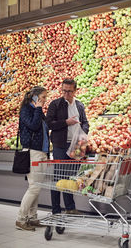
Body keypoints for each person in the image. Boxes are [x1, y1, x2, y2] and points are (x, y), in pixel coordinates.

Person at [46, 78, 89, 215]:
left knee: (71, 178)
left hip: (77, 145)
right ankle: (56, 210)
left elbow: (86, 123)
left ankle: (70, 208)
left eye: (69, 91)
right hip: (60, 145)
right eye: (64, 91)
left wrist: (83, 131)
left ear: (75, 91)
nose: (66, 94)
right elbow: (49, 124)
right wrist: (66, 122)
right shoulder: (56, 104)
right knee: (58, 178)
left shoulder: (80, 105)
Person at [16, 86, 49, 231]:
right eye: (43, 97)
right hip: (32, 152)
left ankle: (32, 217)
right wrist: (38, 108)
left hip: (41, 152)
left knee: (37, 187)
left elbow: (45, 128)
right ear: (35, 97)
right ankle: (21, 219)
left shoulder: (37, 111)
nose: (45, 100)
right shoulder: (27, 110)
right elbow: (34, 126)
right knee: (34, 187)